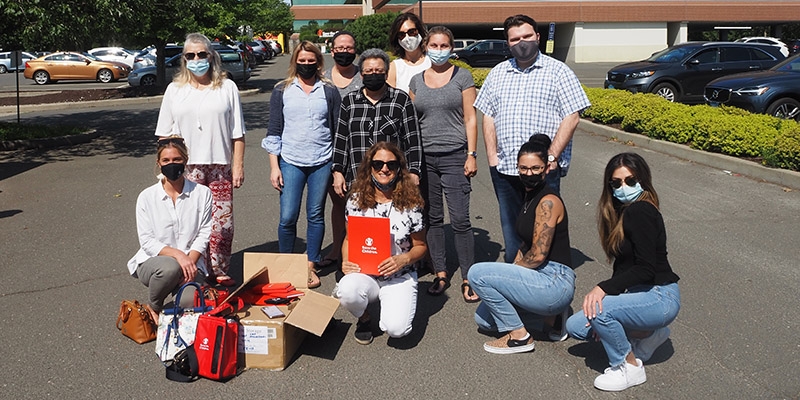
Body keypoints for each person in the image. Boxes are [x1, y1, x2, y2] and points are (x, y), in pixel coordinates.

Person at [474, 14, 590, 263]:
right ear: (508, 43)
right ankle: (515, 276)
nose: (521, 42)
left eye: (527, 36)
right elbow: (488, 116)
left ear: (537, 37)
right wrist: (492, 157)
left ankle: (545, 276)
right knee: (511, 226)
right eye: (515, 39)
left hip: (543, 169)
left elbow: (572, 116)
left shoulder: (559, 71)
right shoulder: (497, 73)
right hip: (505, 169)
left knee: (543, 228)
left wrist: (551, 157)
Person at [565, 152, 681, 392]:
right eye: (616, 183)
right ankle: (649, 336)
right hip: (642, 294)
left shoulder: (641, 211)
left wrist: (604, 290)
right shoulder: (622, 212)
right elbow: (625, 267)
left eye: (630, 180)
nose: (623, 186)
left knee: (599, 310)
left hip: (660, 296)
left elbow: (646, 269)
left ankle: (628, 367)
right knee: (576, 326)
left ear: (643, 180)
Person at [467, 134, 575, 354]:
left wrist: (507, 276)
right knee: (484, 321)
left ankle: (520, 337)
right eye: (523, 168)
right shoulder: (529, 197)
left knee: (477, 273)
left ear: (547, 169)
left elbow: (537, 256)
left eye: (536, 168)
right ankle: (553, 318)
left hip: (554, 280)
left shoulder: (547, 201)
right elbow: (524, 246)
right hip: (538, 277)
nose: (529, 174)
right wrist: (507, 280)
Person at [154, 32, 246, 287]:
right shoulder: (175, 90)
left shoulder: (227, 87)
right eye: (190, 55)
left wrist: (237, 165)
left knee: (221, 224)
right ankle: (194, 270)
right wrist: (165, 168)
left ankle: (219, 268)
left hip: (220, 165)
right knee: (190, 222)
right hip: (187, 167)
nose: (197, 59)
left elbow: (237, 133)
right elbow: (164, 135)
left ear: (211, 55)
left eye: (202, 54)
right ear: (184, 59)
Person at [407, 26, 478, 301]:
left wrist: (471, 154)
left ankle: (468, 277)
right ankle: (440, 273)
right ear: (426, 47)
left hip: (455, 156)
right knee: (433, 219)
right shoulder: (416, 81)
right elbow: (412, 123)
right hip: (425, 159)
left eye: (444, 45)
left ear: (451, 47)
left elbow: (470, 118)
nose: (439, 50)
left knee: (460, 219)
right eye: (434, 45)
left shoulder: (463, 76)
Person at [263, 41, 341, 289]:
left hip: (322, 161)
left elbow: (338, 130)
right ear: (294, 61)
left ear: (318, 63)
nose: (306, 65)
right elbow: (274, 130)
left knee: (315, 214)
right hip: (290, 161)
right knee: (288, 216)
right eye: (302, 60)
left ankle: (310, 264)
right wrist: (274, 166)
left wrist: (337, 167)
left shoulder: (328, 91)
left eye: (311, 61)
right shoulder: (282, 90)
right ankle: (287, 263)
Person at [335, 142, 427, 345]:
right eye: (378, 164)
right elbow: (349, 239)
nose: (384, 169)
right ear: (370, 168)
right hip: (366, 272)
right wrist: (346, 260)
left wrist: (405, 258)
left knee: (397, 330)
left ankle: (391, 302)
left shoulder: (412, 203)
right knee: (346, 290)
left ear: (398, 169)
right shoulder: (355, 200)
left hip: (399, 275)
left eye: (391, 165)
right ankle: (364, 316)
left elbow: (421, 246)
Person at [127, 136, 213, 323]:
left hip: (191, 262)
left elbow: (204, 233)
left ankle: (173, 307)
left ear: (185, 161)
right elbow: (147, 241)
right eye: (166, 160)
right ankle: (154, 306)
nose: (171, 164)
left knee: (190, 301)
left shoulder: (202, 193)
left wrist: (189, 263)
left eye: (177, 160)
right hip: (155, 263)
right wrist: (179, 256)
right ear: (158, 163)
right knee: (170, 268)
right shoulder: (147, 197)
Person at [332, 48, 422, 198]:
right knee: (360, 221)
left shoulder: (401, 100)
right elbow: (341, 140)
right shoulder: (350, 102)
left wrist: (414, 172)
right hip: (358, 179)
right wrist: (337, 171)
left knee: (394, 221)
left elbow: (412, 139)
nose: (373, 74)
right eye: (369, 70)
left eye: (378, 70)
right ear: (361, 74)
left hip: (393, 180)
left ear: (386, 74)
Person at [318, 31, 363, 270]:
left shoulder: (364, 76)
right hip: (331, 151)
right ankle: (337, 249)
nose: (344, 52)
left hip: (362, 151)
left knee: (366, 203)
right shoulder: (322, 79)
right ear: (332, 50)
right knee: (338, 203)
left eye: (349, 47)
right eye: (340, 48)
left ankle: (364, 250)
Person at [387, 12, 431, 93]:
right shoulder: (394, 67)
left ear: (419, 31)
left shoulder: (432, 62)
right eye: (401, 34)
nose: (407, 38)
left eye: (412, 32)